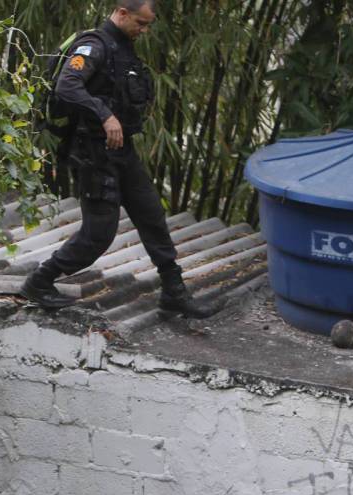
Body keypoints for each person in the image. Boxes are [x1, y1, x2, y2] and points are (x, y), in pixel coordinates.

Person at [20, 0, 215, 319]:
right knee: (98, 234)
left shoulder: (124, 47)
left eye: (148, 24)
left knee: (152, 216)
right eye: (141, 23)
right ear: (122, 13)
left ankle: (173, 292)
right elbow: (66, 87)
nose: (144, 30)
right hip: (94, 153)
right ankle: (39, 282)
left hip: (122, 151)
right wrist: (105, 115)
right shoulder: (94, 45)